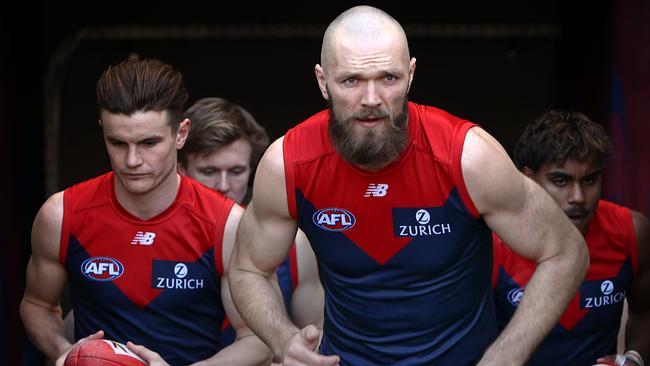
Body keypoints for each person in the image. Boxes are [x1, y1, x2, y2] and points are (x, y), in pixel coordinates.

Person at [228, 5, 589, 365]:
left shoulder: (466, 157)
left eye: (388, 78)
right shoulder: (289, 163)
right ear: (323, 82)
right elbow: (248, 268)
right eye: (351, 80)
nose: (371, 100)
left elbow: (565, 252)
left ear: (411, 74)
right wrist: (282, 338)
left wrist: (506, 356)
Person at [19, 58, 271, 366]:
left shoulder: (227, 224)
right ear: (102, 132)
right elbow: (37, 304)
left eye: (149, 142)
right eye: (117, 143)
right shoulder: (62, 214)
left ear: (181, 134)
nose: (133, 160)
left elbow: (258, 339)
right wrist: (63, 351)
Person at [492, 110, 649, 366]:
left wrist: (633, 358)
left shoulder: (631, 232)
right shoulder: (491, 244)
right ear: (527, 179)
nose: (578, 196)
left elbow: (646, 309)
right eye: (561, 180)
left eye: (589, 179)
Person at [176, 97, 324, 343]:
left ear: (252, 169)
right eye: (209, 171)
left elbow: (317, 333)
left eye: (236, 171)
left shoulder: (295, 244)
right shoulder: (161, 234)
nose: (223, 186)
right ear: (181, 167)